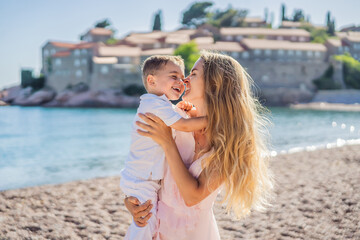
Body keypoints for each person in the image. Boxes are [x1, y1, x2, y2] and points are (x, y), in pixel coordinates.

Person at [125, 51, 273, 239]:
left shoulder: (229, 142)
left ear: (214, 85)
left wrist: (168, 143)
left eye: (193, 74)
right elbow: (144, 165)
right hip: (156, 229)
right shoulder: (177, 121)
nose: (184, 80)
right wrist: (132, 201)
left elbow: (192, 196)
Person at [120, 55, 208, 240]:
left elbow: (181, 123)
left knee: (146, 221)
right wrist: (214, 120)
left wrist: (191, 112)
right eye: (174, 76)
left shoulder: (161, 105)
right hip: (143, 179)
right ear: (151, 80)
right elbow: (182, 126)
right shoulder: (154, 104)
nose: (182, 81)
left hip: (143, 178)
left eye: (185, 75)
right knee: (144, 222)